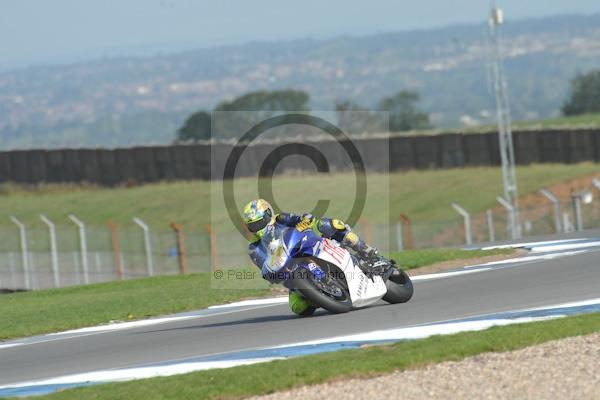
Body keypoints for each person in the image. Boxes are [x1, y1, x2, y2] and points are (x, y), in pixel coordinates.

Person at [242, 198, 379, 316]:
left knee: (327, 224)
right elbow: (265, 269)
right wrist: (270, 274)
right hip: (289, 272)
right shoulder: (254, 248)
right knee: (298, 307)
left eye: (258, 223)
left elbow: (304, 218)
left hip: (310, 246)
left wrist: (303, 222)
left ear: (267, 215)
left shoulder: (281, 219)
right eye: (252, 226)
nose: (257, 228)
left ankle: (366, 251)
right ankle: (318, 295)